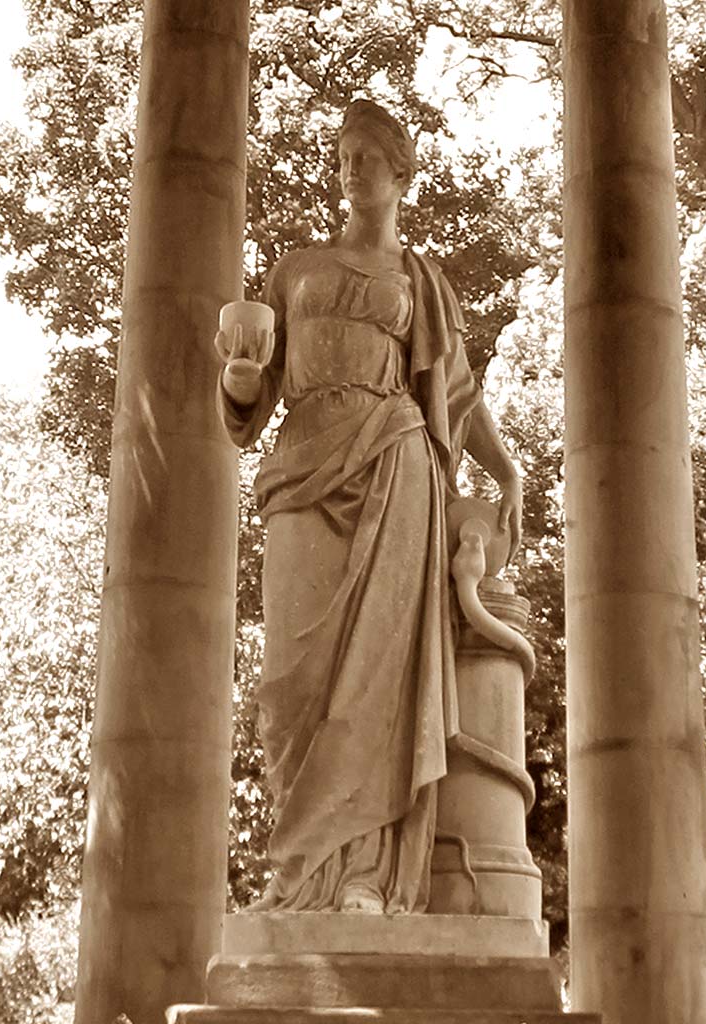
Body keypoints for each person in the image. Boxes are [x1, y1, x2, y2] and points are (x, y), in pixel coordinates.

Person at [216, 99, 521, 914]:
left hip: (393, 462)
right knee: (288, 685)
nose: (352, 170)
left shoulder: (423, 282)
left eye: (369, 158)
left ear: (401, 175)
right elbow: (252, 387)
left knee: (377, 683)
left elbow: (456, 394)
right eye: (344, 156)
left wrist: (508, 471)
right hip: (304, 464)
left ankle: (361, 878)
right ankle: (299, 875)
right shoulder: (293, 269)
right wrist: (238, 388)